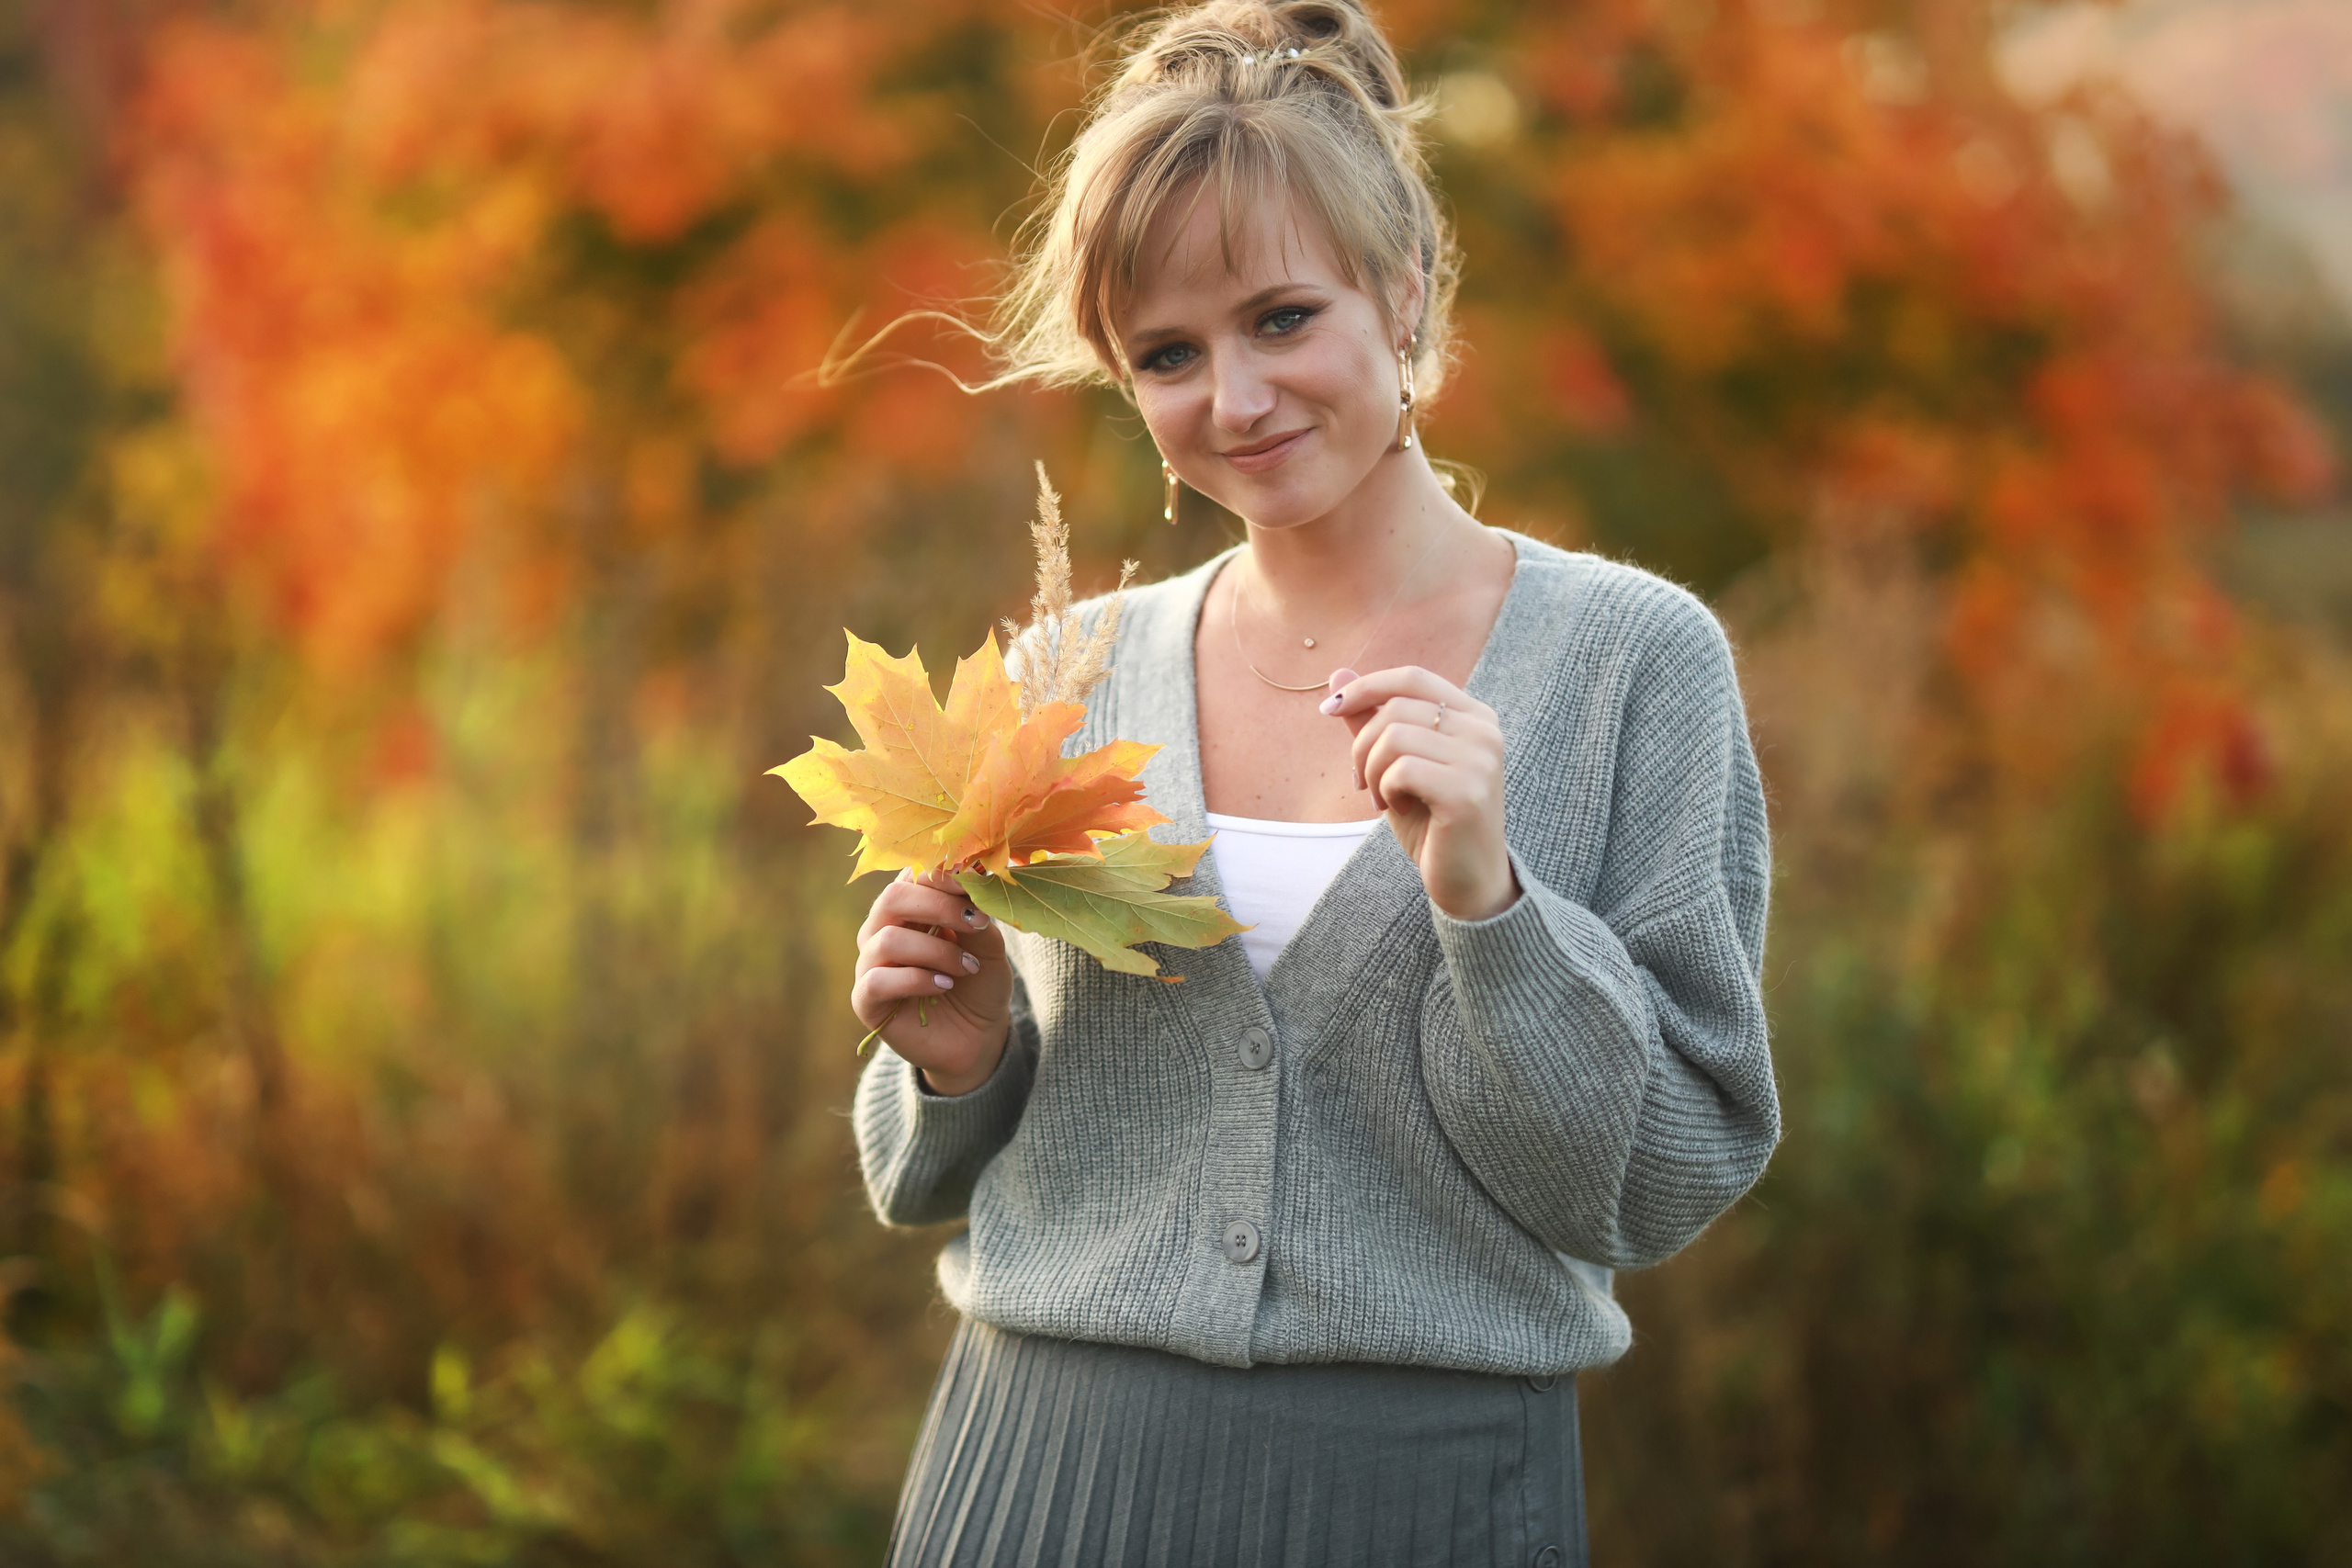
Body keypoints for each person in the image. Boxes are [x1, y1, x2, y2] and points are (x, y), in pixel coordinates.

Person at [844, 3, 1779, 1562]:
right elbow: (922, 1175)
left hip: (1426, 1501)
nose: (1236, 397)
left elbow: (1664, 1179)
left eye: (1282, 318)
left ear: (1401, 295)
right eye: (1168, 355)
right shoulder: (1064, 674)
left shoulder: (1633, 665)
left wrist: (1491, 905)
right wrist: (958, 1057)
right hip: (1040, 1483)